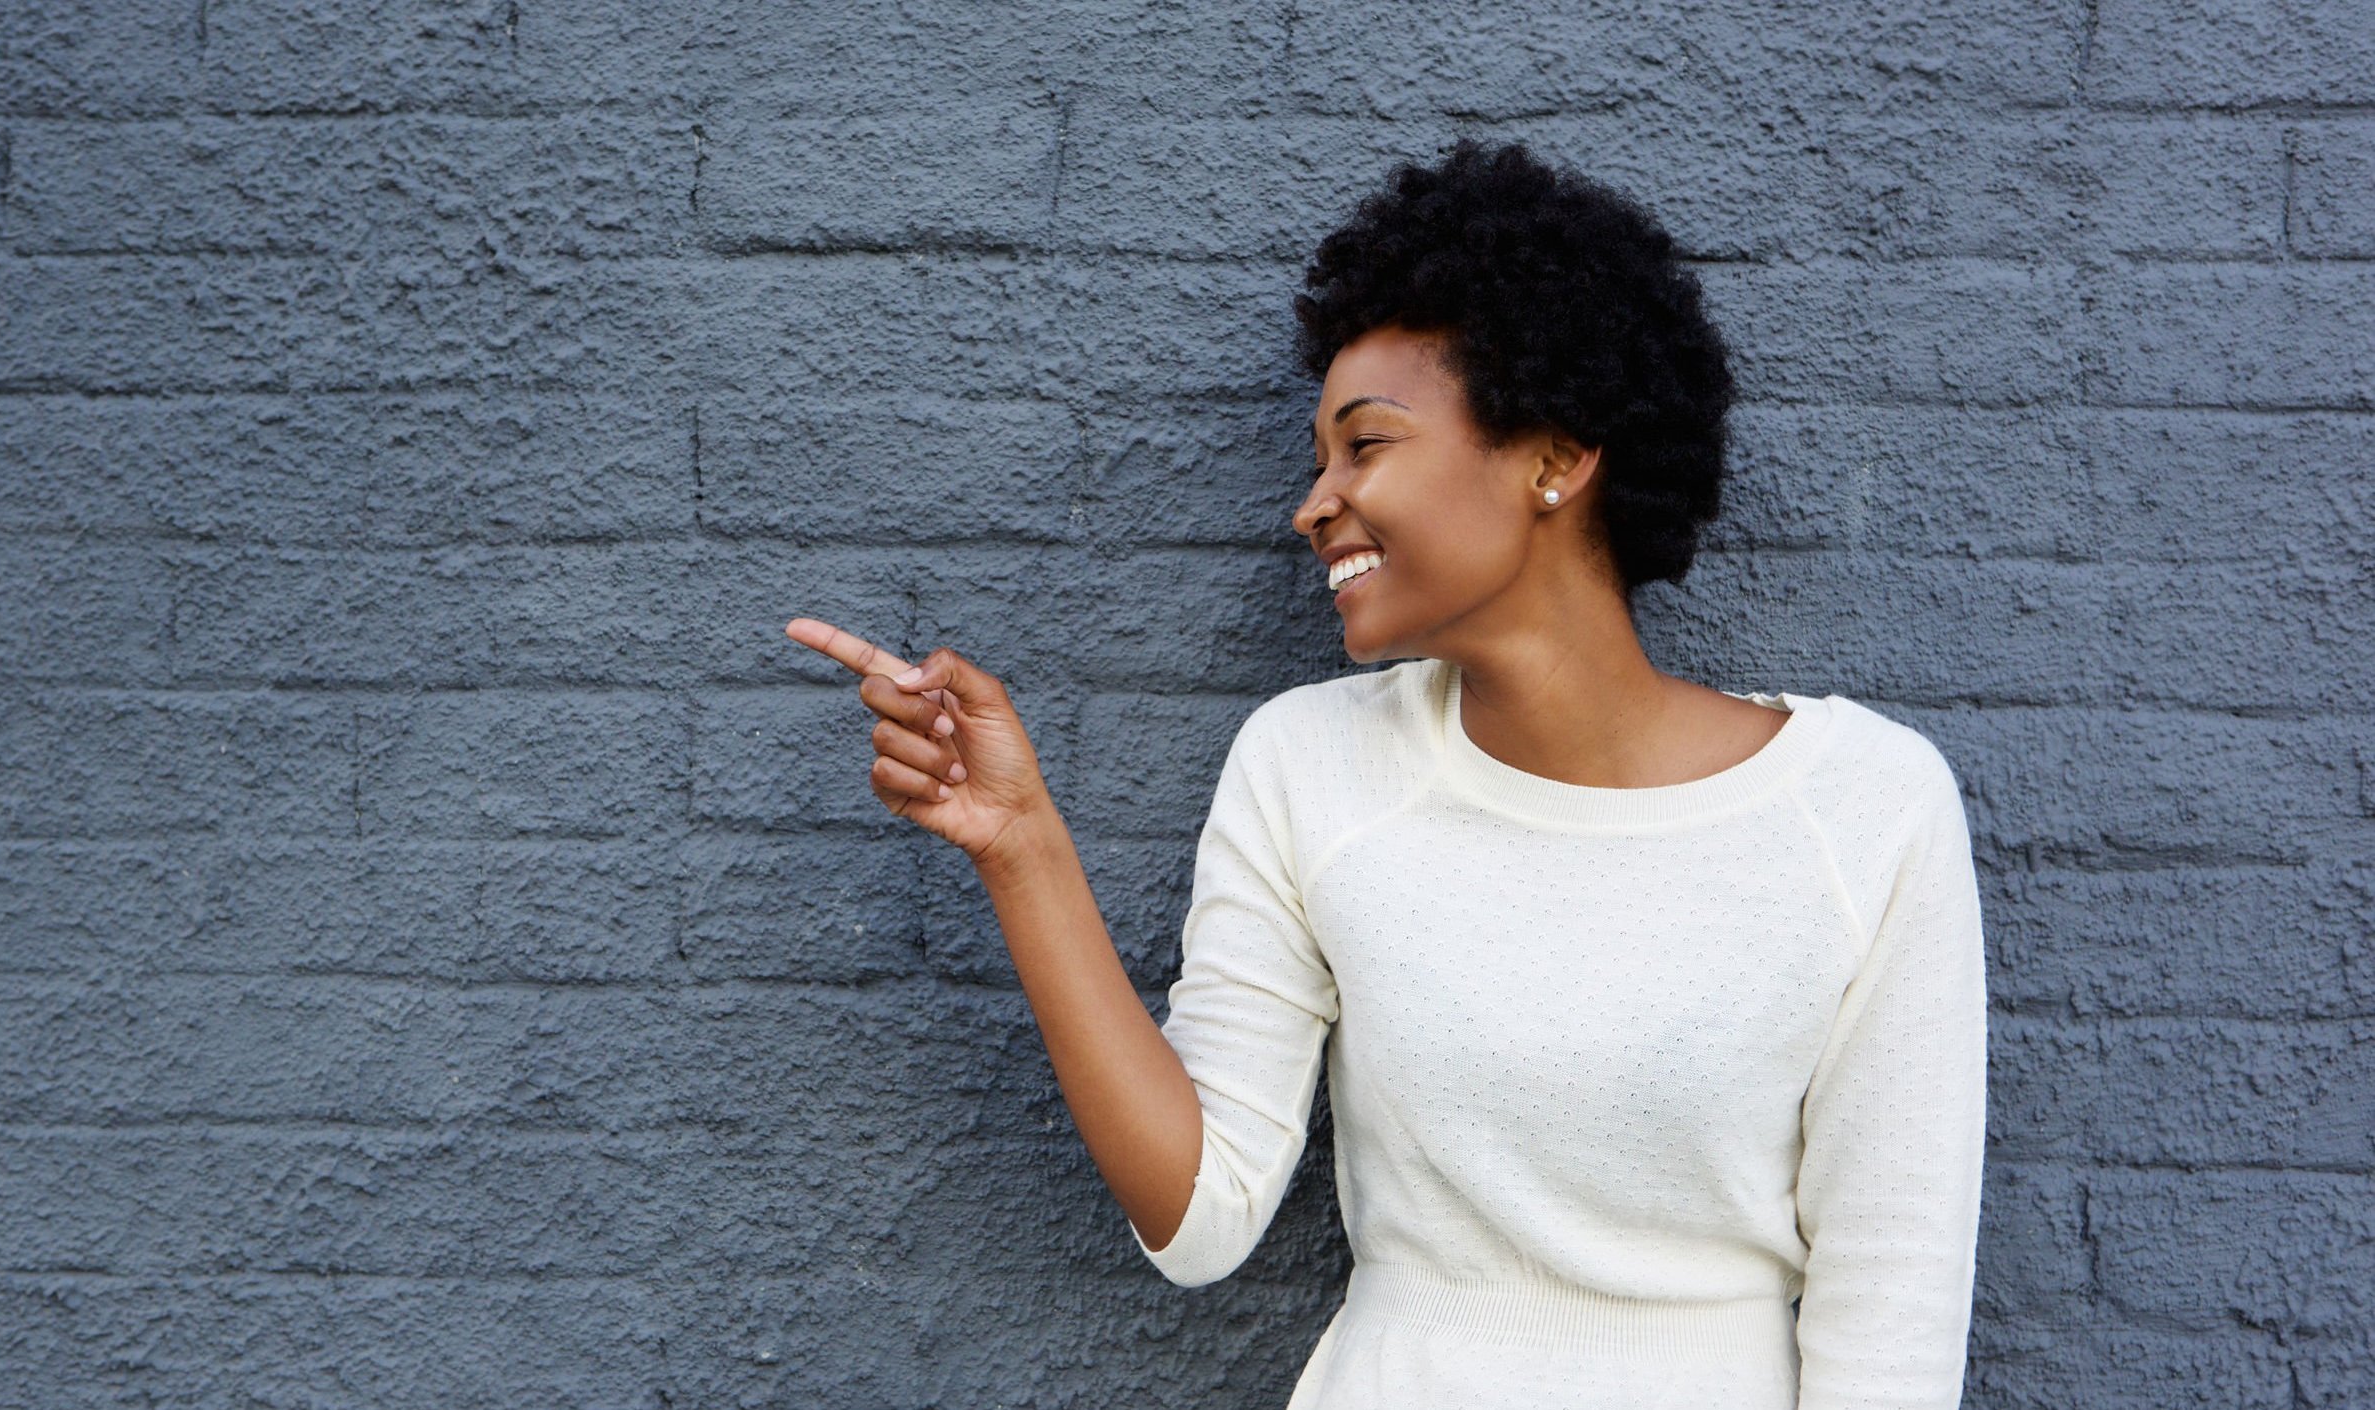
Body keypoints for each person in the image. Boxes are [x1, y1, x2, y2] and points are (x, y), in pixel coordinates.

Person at [784, 138, 1986, 1410]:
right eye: (1320, 458)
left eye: (1366, 445)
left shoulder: (1862, 809)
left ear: (1554, 459)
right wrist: (1019, 842)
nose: (1316, 503)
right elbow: (1200, 1216)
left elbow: (1891, 1324)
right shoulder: (1311, 765)